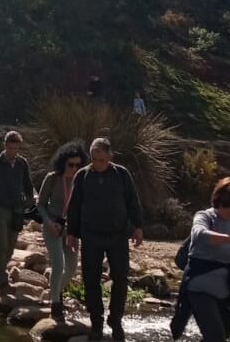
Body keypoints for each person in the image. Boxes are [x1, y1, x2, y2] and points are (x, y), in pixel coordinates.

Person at [66, 137, 144, 342]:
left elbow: (132, 201)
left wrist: (137, 227)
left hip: (118, 235)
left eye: (101, 160)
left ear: (110, 156)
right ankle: (96, 321)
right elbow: (74, 206)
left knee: (121, 278)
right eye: (94, 159)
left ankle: (115, 319)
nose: (97, 163)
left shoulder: (122, 174)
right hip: (91, 235)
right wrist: (71, 233)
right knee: (91, 279)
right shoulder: (83, 176)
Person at [171, 177, 230, 342]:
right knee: (215, 336)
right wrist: (228, 239)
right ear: (220, 200)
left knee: (226, 330)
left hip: (226, 290)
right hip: (200, 288)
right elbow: (199, 233)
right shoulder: (205, 216)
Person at [37, 140, 88, 320]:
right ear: (62, 162)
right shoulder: (52, 178)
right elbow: (40, 205)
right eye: (70, 164)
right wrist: (48, 222)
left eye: (78, 165)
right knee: (58, 264)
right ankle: (55, 304)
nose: (74, 168)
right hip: (52, 226)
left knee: (72, 268)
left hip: (70, 228)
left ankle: (56, 291)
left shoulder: (81, 180)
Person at [0, 130, 34, 291]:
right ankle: (2, 277)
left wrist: (33, 198)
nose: (13, 152)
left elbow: (27, 183)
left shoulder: (22, 163)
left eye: (16, 149)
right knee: (2, 243)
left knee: (11, 245)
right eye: (10, 148)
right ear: (5, 145)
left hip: (17, 208)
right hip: (0, 206)